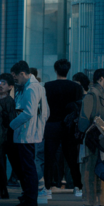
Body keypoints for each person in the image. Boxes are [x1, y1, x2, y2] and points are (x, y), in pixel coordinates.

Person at [9, 60, 49, 206]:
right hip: (32, 132)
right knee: (28, 167)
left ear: (22, 73)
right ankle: (29, 199)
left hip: (27, 133)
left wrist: (12, 124)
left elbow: (28, 112)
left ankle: (30, 201)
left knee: (28, 169)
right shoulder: (37, 86)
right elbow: (45, 112)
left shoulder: (31, 88)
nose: (15, 80)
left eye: (15, 76)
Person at [73, 68, 104, 206]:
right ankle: (100, 204)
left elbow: (83, 119)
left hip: (91, 138)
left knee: (88, 172)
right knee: (101, 172)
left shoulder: (91, 95)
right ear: (101, 79)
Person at [43, 59, 84, 197]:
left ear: (56, 70)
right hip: (70, 126)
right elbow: (79, 107)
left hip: (52, 124)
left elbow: (44, 108)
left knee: (49, 157)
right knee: (72, 158)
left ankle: (47, 187)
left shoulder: (47, 86)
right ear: (68, 70)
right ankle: (78, 187)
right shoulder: (76, 87)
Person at [0, 73, 19, 197]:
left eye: (3, 83)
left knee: (3, 162)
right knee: (1, 163)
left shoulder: (9, 102)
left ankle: (3, 189)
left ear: (10, 86)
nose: (0, 85)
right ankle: (2, 189)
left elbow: (10, 121)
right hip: (2, 136)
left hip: (6, 137)